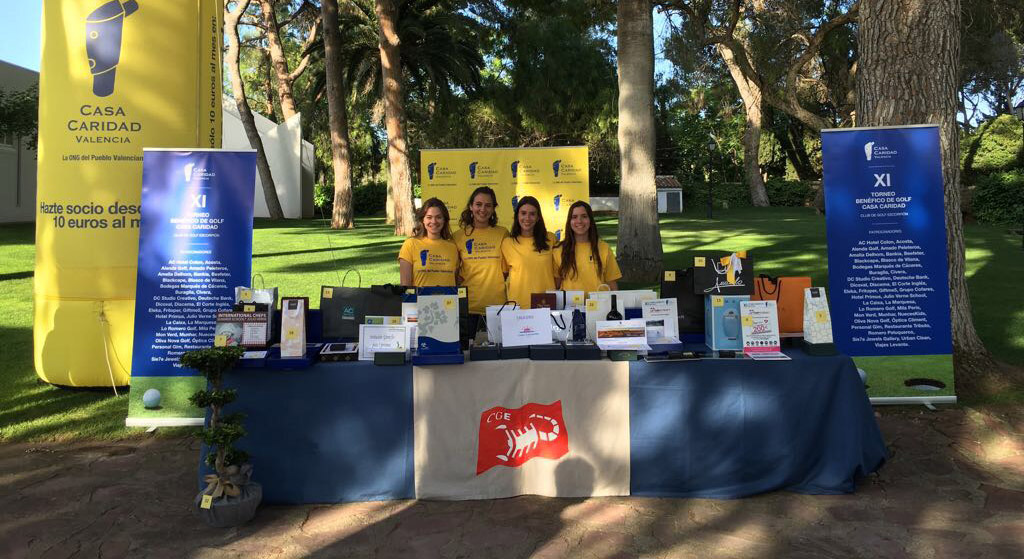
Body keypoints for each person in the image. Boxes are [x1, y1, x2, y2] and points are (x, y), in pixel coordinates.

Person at [453, 187, 509, 316]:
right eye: (478, 204)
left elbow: (507, 271)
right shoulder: (458, 237)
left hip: (498, 307)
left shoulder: (503, 233)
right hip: (468, 307)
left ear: (493, 208)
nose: (483, 209)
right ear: (471, 207)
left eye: (488, 205)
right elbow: (454, 274)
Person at [501, 196, 557, 308]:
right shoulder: (507, 243)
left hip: (545, 304)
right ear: (517, 216)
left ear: (538, 218)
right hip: (518, 306)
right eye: (523, 213)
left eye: (532, 214)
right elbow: (504, 274)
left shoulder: (551, 239)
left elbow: (558, 274)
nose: (527, 218)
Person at [554, 201, 621, 293]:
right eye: (574, 217)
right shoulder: (559, 250)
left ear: (590, 220)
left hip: (599, 304)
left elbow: (612, 284)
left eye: (584, 216)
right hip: (569, 306)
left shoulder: (604, 248)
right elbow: (556, 286)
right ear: (569, 221)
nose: (579, 221)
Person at [398, 198, 458, 287]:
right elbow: (405, 286)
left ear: (444, 220)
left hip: (448, 300)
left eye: (439, 217)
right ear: (423, 220)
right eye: (429, 217)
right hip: (419, 300)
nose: (434, 221)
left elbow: (456, 282)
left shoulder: (453, 247)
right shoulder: (410, 244)